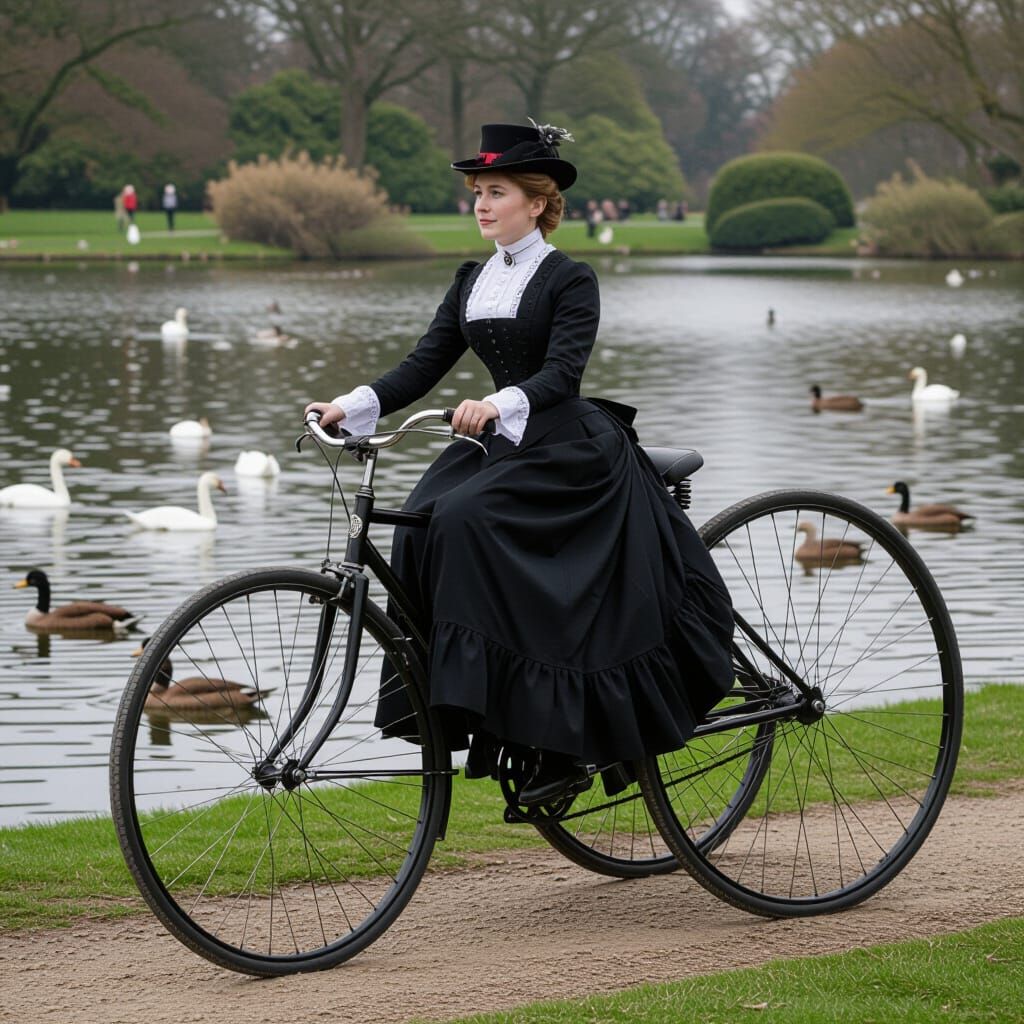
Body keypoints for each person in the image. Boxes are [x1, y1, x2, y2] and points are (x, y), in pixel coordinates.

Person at [305, 121, 734, 805]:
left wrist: (498, 403)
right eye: (477, 192)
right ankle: (479, 708)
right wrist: (351, 405)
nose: (481, 204)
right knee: (420, 523)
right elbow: (425, 362)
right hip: (501, 441)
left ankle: (553, 734)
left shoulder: (570, 278)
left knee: (467, 519)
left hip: (567, 444)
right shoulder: (473, 279)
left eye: (496, 192)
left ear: (537, 202)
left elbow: (563, 373)